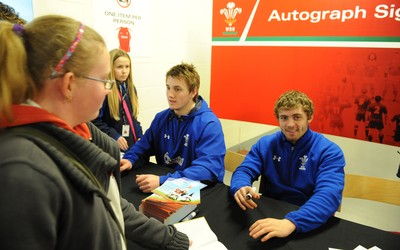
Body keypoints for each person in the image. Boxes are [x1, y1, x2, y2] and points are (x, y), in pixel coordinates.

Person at [0, 15, 189, 250]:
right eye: (103, 80)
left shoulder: (82, 129)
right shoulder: (21, 172)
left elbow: (109, 203)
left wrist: (170, 239)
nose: (107, 89)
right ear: (69, 84)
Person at [230, 90, 346, 242]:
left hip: (306, 220)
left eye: (297, 117)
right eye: (284, 118)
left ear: (309, 117)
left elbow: (329, 196)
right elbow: (244, 170)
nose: (290, 124)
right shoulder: (265, 144)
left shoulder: (329, 151)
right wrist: (241, 186)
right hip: (268, 215)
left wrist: (292, 222)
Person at [122, 62, 225, 193]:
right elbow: (143, 145)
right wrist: (130, 159)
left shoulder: (209, 124)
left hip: (202, 191)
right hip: (169, 186)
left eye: (177, 89)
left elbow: (206, 169)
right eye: (168, 87)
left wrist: (163, 182)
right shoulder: (161, 118)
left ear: (193, 91)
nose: (170, 94)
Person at [92, 48, 143, 154]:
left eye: (127, 67)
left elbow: (134, 118)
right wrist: (114, 136)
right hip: (112, 147)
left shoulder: (130, 88)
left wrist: (140, 136)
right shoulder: (105, 90)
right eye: (119, 67)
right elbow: (95, 121)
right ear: (110, 68)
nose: (124, 71)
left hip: (131, 146)